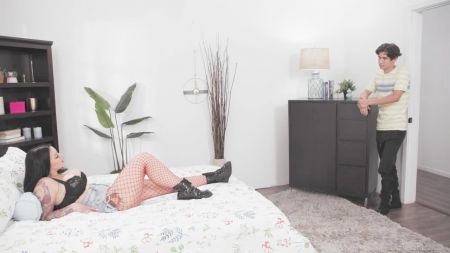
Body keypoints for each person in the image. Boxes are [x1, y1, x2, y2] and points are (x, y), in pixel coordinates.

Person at [24, 145, 232, 220]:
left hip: (113, 191)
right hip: (111, 201)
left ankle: (214, 177)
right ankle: (188, 190)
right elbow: (44, 217)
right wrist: (73, 208)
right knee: (143, 158)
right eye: (54, 155)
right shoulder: (44, 184)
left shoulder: (59, 174)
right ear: (43, 162)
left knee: (166, 184)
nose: (60, 155)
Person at [358, 43, 410, 215]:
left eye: (384, 58)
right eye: (378, 58)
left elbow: (395, 97)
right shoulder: (378, 74)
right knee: (390, 167)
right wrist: (363, 103)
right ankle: (396, 200)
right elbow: (366, 92)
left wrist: (369, 102)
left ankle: (384, 203)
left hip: (396, 127)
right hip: (381, 126)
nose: (380, 61)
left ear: (394, 59)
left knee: (384, 167)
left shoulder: (402, 72)